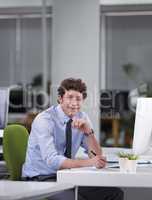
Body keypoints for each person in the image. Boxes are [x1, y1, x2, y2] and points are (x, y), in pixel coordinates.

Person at [22, 78, 123, 200]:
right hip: (40, 179)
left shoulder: (82, 118)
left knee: (114, 193)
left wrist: (88, 132)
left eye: (78, 99)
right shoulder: (45, 120)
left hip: (67, 177)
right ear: (60, 98)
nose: (74, 103)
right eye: (70, 97)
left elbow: (96, 156)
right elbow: (52, 161)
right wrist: (90, 162)